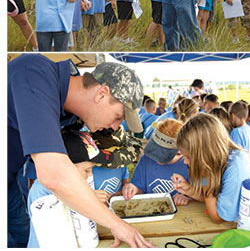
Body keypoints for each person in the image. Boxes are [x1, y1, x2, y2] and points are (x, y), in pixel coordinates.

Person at [8, 55, 153, 249]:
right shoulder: (33, 75)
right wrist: (117, 225)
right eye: (118, 116)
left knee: (22, 234)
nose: (115, 126)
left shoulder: (70, 110)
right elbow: (53, 175)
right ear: (101, 94)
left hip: (10, 180)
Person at [171, 113, 250, 223]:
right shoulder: (223, 157)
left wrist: (205, 176)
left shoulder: (236, 169)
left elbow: (218, 217)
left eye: (188, 157)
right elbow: (212, 201)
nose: (185, 161)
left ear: (206, 153)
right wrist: (189, 190)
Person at [27, 127, 106, 247]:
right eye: (87, 170)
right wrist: (86, 199)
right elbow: (54, 224)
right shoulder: (41, 189)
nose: (90, 175)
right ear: (67, 167)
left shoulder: (77, 182)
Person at [122, 119, 191, 206]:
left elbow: (199, 196)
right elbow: (139, 189)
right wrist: (133, 188)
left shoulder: (188, 164)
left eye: (163, 154)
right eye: (155, 150)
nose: (157, 158)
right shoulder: (146, 159)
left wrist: (188, 198)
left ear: (179, 150)